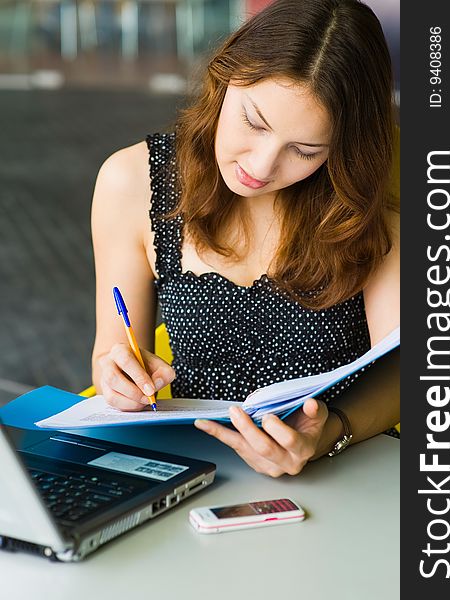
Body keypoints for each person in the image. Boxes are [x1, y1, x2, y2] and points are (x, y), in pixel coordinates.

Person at [90, 0, 400, 478]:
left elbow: (405, 372)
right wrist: (119, 377)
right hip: (192, 473)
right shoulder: (131, 183)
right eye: (253, 122)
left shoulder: (368, 208)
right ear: (226, 76)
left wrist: (330, 432)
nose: (260, 167)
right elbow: (111, 349)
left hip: (346, 473)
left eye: (304, 150)